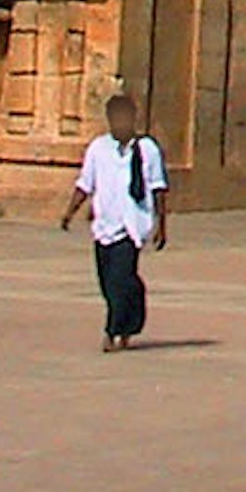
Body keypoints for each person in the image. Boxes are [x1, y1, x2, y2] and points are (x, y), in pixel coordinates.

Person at [58, 90, 169, 352]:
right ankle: (131, 309)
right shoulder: (98, 148)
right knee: (108, 283)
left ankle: (113, 332)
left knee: (120, 279)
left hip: (131, 227)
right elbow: (85, 184)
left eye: (124, 118)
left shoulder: (147, 149)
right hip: (104, 227)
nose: (120, 124)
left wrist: (161, 226)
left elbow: (158, 188)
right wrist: (69, 212)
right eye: (115, 119)